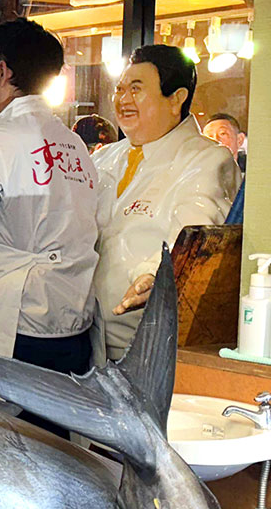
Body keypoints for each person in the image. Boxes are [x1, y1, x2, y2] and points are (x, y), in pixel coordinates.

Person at [0, 19, 99, 420]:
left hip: (15, 323)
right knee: (58, 444)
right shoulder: (75, 144)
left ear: (3, 72)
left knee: (5, 443)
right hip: (73, 319)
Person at [93, 46, 240, 360]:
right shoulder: (106, 156)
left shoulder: (206, 159)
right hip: (87, 340)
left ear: (176, 99)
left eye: (136, 90)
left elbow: (192, 234)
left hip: (149, 348)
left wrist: (153, 276)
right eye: (119, 89)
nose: (122, 100)